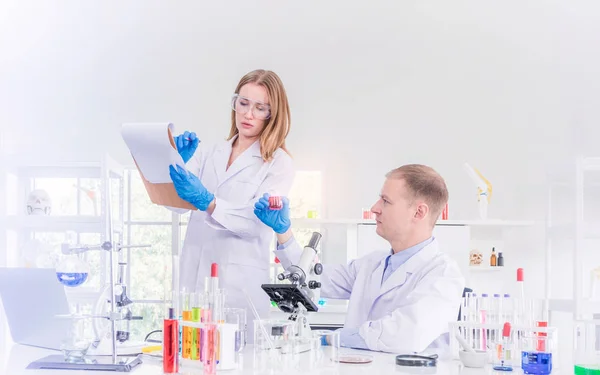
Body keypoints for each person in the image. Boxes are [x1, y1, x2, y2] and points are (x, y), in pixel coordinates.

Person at [254, 164, 465, 354]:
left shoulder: (443, 275)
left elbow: (405, 335)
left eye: (386, 200)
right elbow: (308, 278)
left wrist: (332, 338)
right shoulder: (371, 264)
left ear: (419, 212)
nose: (375, 207)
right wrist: (284, 232)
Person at [167, 69, 295, 337]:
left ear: (273, 114)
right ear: (235, 103)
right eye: (244, 103)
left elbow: (255, 223)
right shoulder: (212, 152)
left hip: (239, 290)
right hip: (195, 281)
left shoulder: (278, 163)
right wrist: (177, 163)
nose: (248, 114)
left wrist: (209, 201)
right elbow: (177, 206)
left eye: (260, 108)